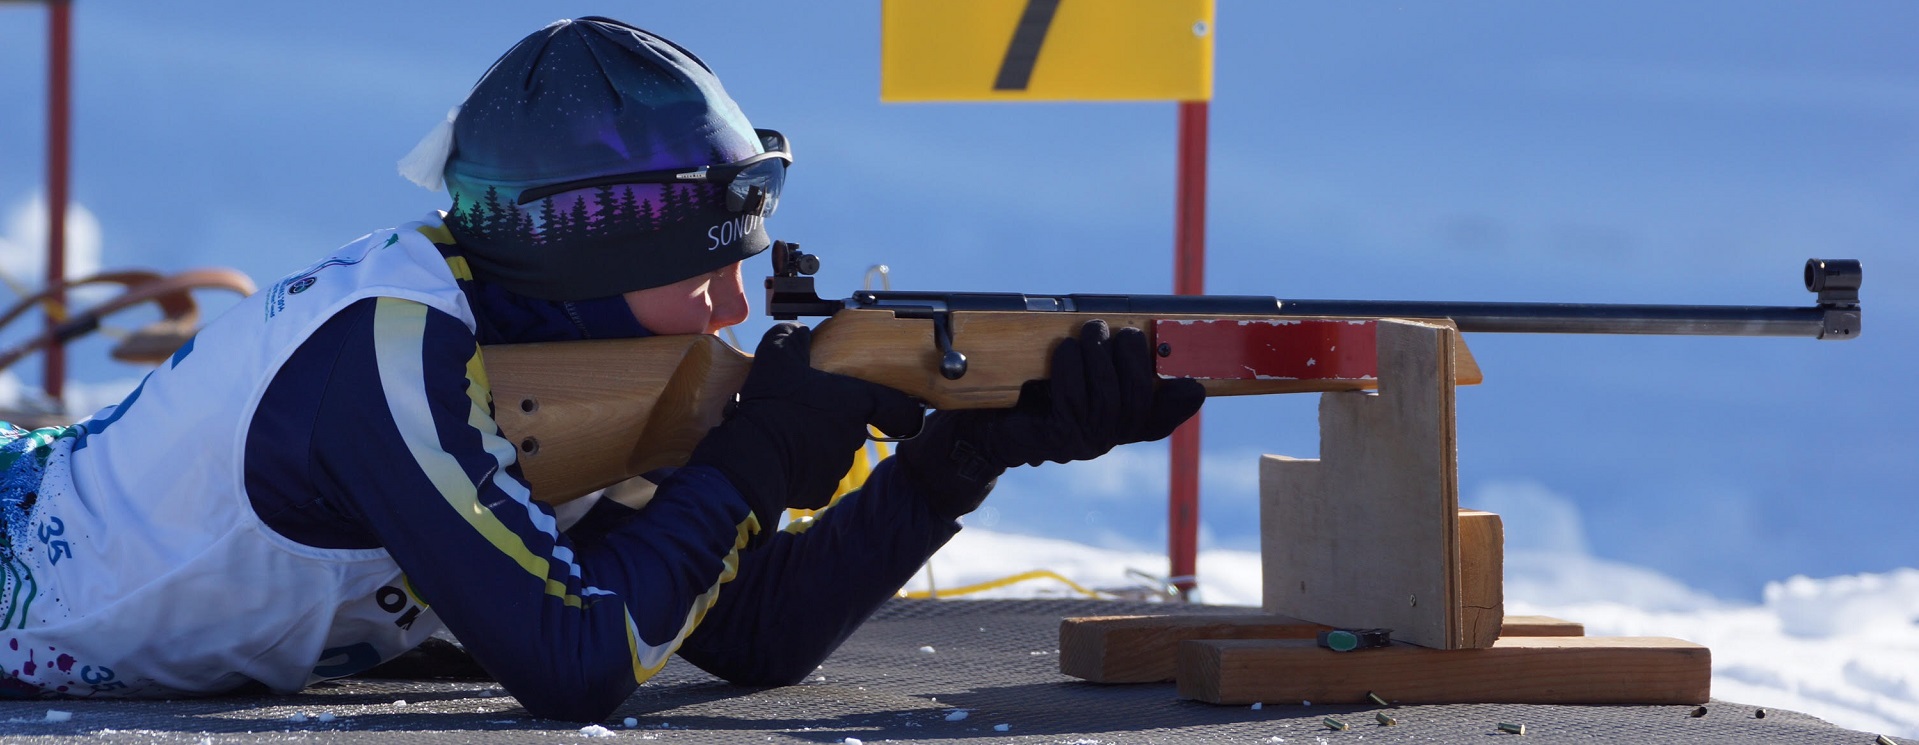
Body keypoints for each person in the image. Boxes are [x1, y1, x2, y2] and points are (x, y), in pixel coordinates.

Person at [0, 18, 1203, 722]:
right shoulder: (386, 352)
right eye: (702, 272)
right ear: (589, 257)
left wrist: (962, 454)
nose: (731, 305)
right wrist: (752, 460)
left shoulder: (573, 352)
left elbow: (760, 633)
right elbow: (576, 665)